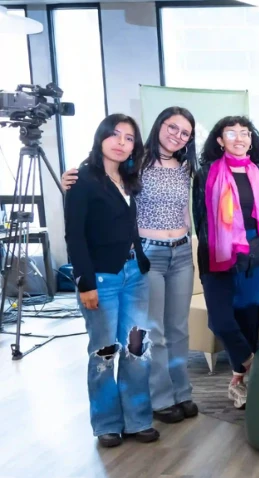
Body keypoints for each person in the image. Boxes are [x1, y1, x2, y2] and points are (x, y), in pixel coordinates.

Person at [62, 107, 200, 425]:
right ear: (158, 126)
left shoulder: (186, 167)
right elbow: (98, 181)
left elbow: (184, 210)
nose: (177, 135)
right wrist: (69, 178)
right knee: (153, 333)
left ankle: (183, 392)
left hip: (180, 253)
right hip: (146, 253)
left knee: (177, 329)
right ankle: (161, 398)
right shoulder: (136, 161)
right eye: (172, 127)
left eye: (185, 132)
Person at [65, 114, 158, 447]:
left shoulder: (129, 178)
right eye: (115, 135)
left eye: (129, 138)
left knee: (137, 349)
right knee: (104, 352)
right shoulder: (82, 179)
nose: (121, 142)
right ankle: (106, 424)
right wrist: (84, 282)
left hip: (134, 274)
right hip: (100, 280)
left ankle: (137, 420)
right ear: (101, 137)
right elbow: (74, 235)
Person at [192, 116, 259, 408]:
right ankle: (253, 363)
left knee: (248, 317)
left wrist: (258, 249)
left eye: (245, 133)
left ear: (251, 140)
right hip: (218, 251)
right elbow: (200, 219)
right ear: (220, 140)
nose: (239, 138)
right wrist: (220, 247)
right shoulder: (205, 174)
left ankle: (239, 381)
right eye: (231, 133)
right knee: (220, 318)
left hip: (255, 254)